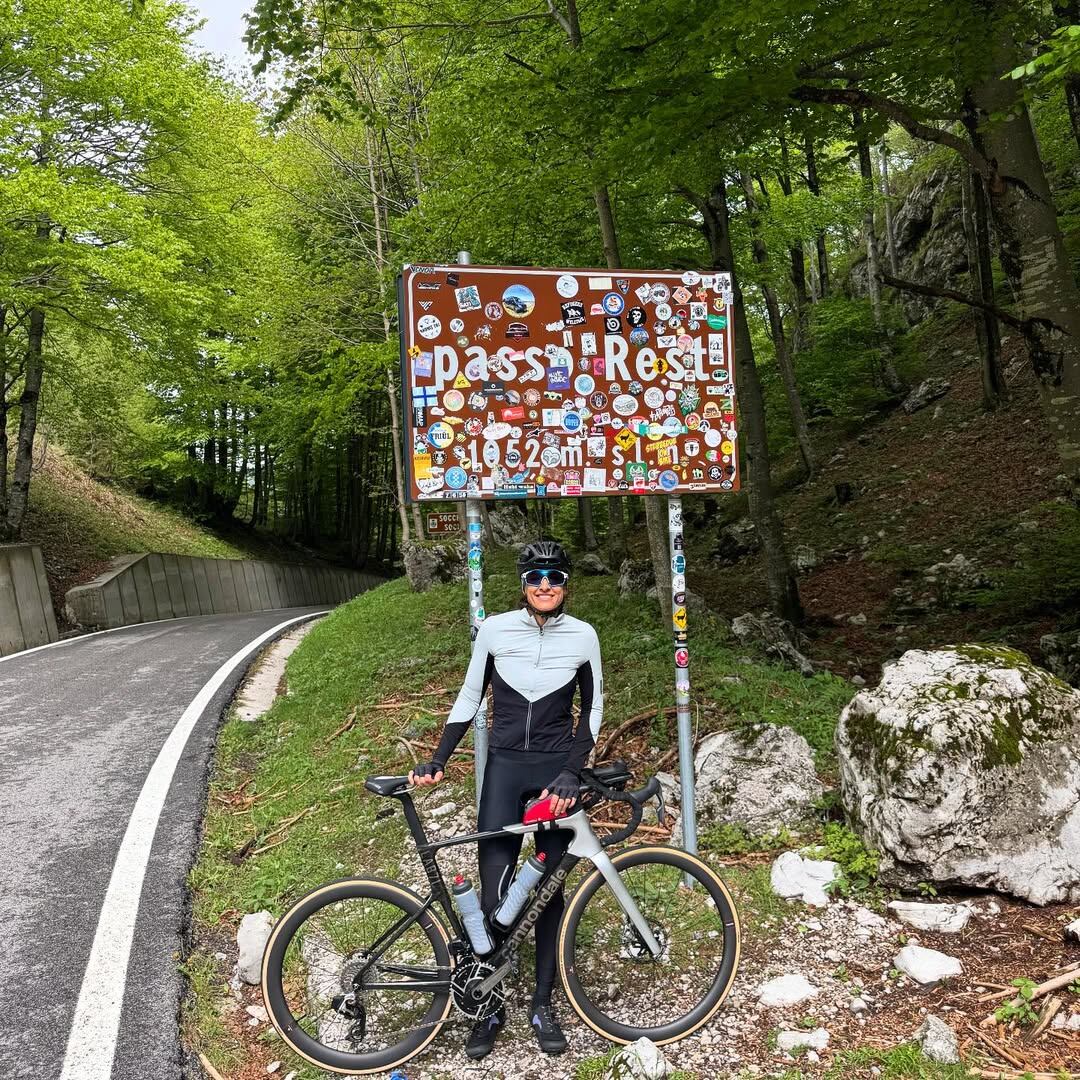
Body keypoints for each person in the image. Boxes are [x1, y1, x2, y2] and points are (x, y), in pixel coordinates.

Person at [408, 539, 603, 1059]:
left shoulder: (584, 637)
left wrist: (570, 772)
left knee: (546, 894)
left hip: (554, 776)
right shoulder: (493, 631)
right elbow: (470, 696)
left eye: (555, 577)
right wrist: (439, 757)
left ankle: (543, 1003)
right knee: (494, 896)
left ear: (566, 584)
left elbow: (593, 711)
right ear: (522, 583)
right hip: (503, 772)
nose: (545, 585)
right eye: (536, 576)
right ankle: (488, 1006)